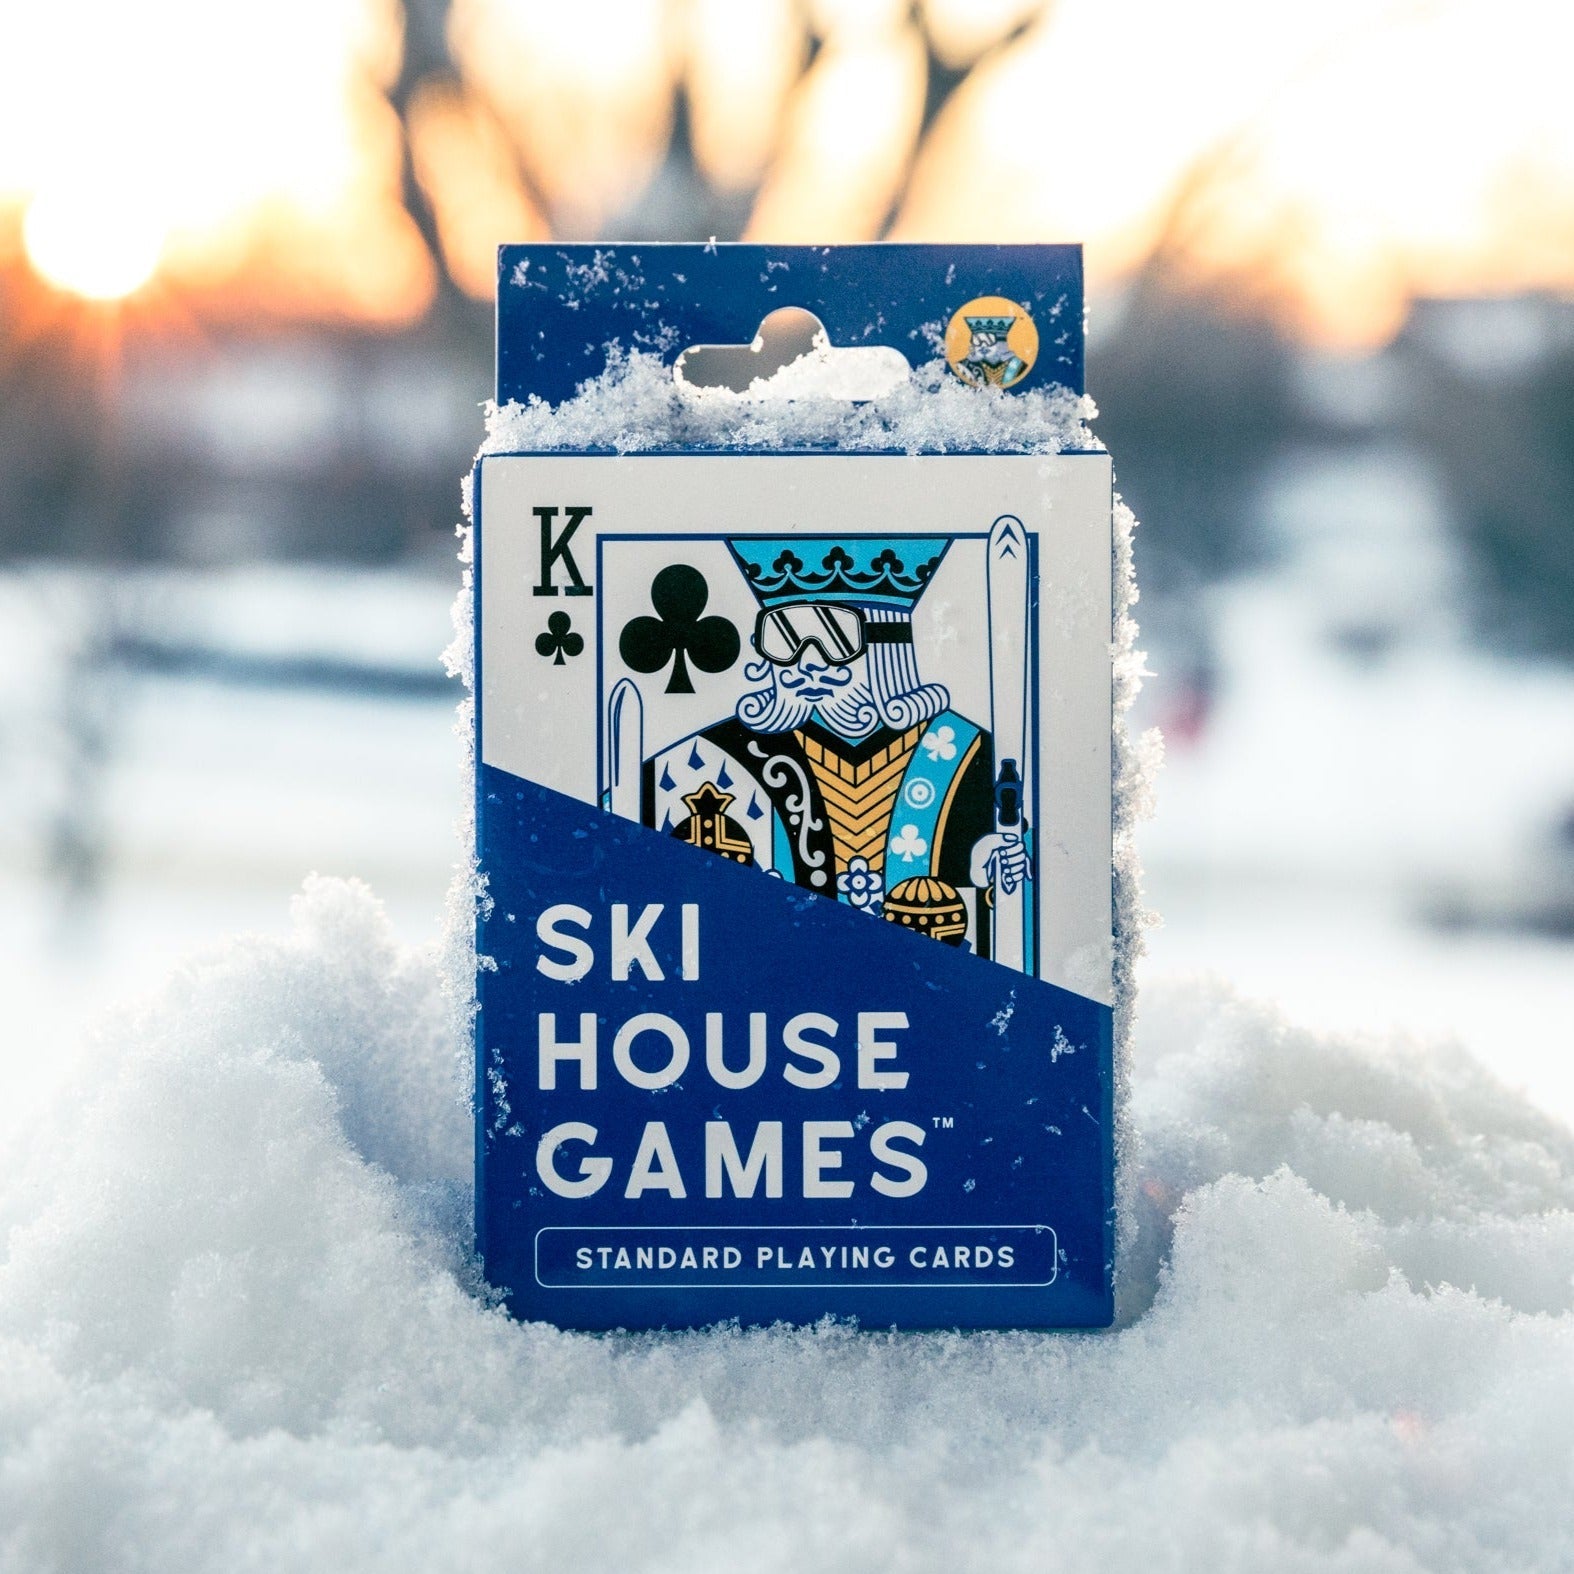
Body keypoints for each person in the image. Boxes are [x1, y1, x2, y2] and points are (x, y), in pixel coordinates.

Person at [641, 536, 1029, 957]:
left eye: (835, 636)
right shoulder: (717, 755)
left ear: (888, 642)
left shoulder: (970, 755)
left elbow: (1010, 906)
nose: (808, 663)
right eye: (786, 637)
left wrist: (986, 868)